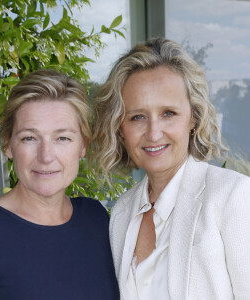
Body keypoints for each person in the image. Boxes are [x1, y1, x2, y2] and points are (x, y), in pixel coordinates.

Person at [92, 37, 250, 300]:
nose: (153, 133)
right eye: (138, 117)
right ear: (121, 128)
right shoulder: (121, 213)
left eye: (168, 113)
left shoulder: (232, 195)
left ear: (193, 118)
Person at [0, 69, 119, 300]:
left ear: (83, 146)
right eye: (29, 137)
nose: (46, 156)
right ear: (8, 145)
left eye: (62, 138)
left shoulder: (96, 218)